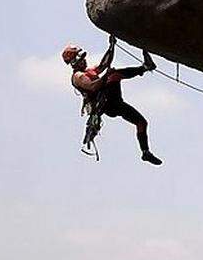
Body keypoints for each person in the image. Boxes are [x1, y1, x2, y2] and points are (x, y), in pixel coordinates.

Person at [62, 34, 162, 165]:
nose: (84, 60)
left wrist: (111, 46)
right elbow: (93, 87)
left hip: (115, 103)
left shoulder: (88, 71)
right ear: (74, 61)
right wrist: (106, 76)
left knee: (141, 122)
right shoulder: (78, 76)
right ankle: (145, 67)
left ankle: (145, 152)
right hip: (105, 103)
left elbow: (104, 64)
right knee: (113, 75)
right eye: (81, 59)